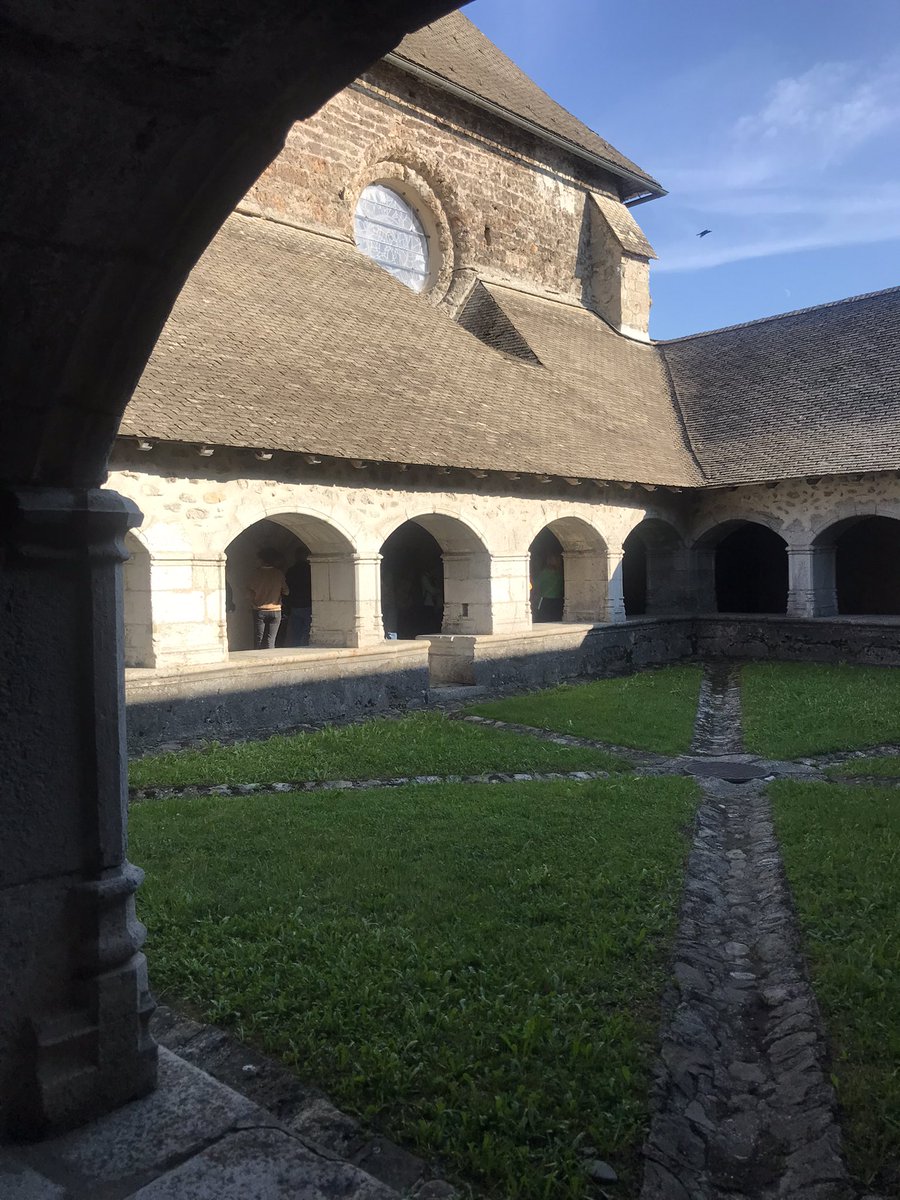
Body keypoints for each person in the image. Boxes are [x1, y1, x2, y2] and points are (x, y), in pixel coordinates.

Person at [247, 547, 288, 649]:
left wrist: (252, 603)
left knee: (259, 639)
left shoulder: (255, 574)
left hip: (259, 609)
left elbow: (249, 592)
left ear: (261, 560)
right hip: (276, 610)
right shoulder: (279, 573)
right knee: (271, 640)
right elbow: (286, 591)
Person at [284, 549, 312, 646]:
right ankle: (303, 646)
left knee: (296, 631)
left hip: (294, 604)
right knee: (307, 630)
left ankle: (296, 646)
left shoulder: (291, 570)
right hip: (308, 603)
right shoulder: (310, 570)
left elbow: (286, 587)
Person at [535, 554, 564, 622]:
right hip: (558, 600)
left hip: (545, 600)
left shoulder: (544, 573)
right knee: (556, 620)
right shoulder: (560, 574)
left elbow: (536, 585)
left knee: (543, 620)